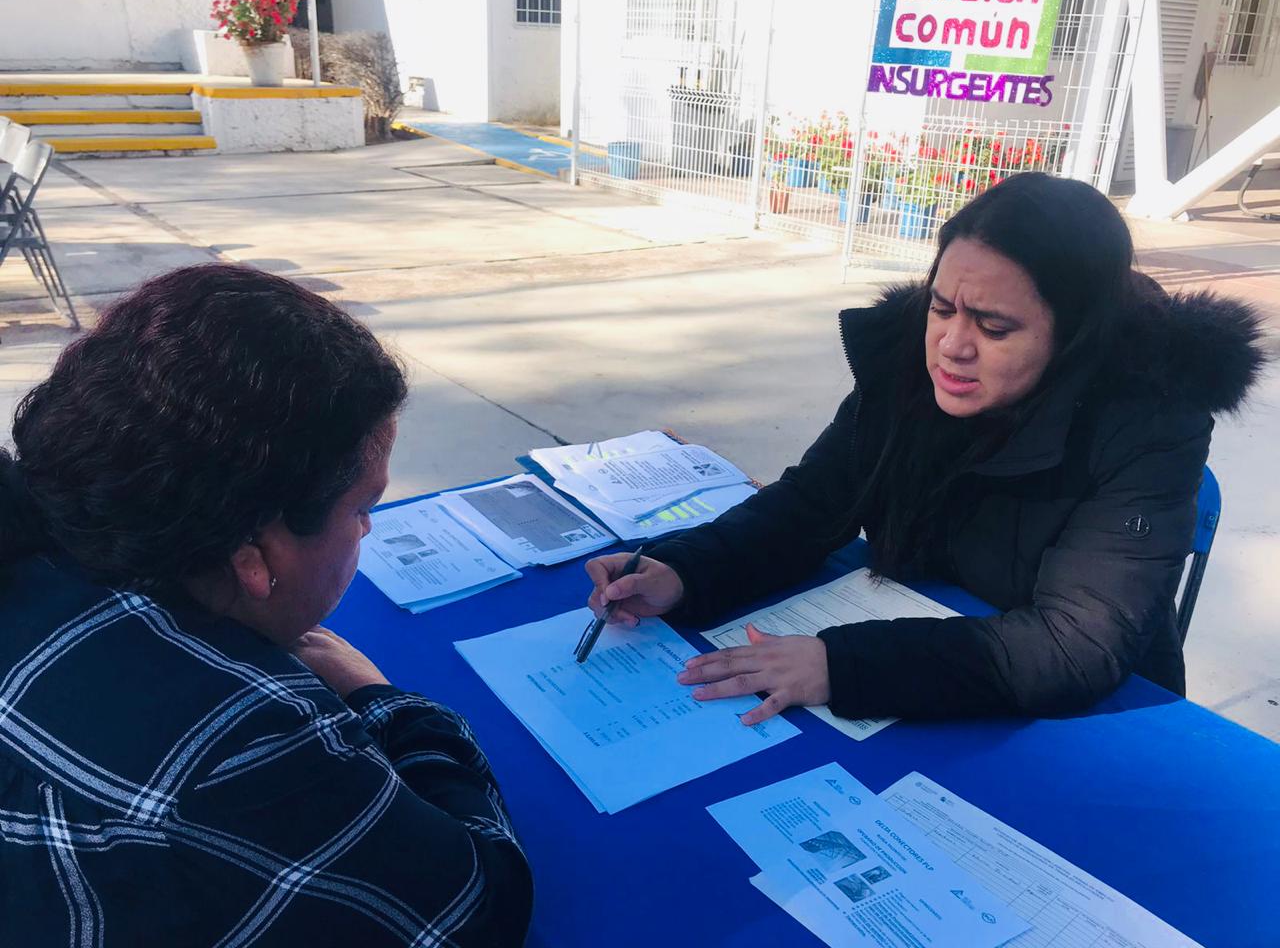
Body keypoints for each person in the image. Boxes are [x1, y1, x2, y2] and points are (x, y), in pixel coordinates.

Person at [587, 173, 1267, 724]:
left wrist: (844, 666)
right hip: (926, 649)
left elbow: (1076, 644)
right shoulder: (905, 361)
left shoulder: (1148, 420)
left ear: (1075, 336)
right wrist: (686, 570)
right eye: (943, 308)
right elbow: (813, 502)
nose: (953, 345)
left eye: (994, 325)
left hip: (1096, 719)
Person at [0, 265, 532, 945]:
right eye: (363, 508)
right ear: (255, 555)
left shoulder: (30, 555)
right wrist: (379, 698)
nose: (370, 529)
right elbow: (475, 909)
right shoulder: (237, 740)